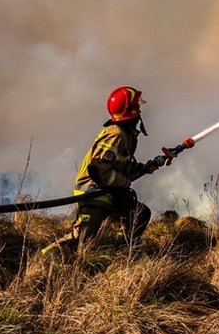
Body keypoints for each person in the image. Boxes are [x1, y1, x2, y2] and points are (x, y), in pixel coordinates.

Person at [42, 86, 157, 254]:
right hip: (94, 192)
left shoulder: (126, 134)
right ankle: (44, 257)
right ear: (130, 111)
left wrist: (142, 168)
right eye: (137, 107)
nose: (140, 111)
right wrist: (123, 182)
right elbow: (98, 169)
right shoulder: (116, 135)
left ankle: (124, 251)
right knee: (81, 239)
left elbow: (119, 163)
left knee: (140, 214)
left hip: (110, 190)